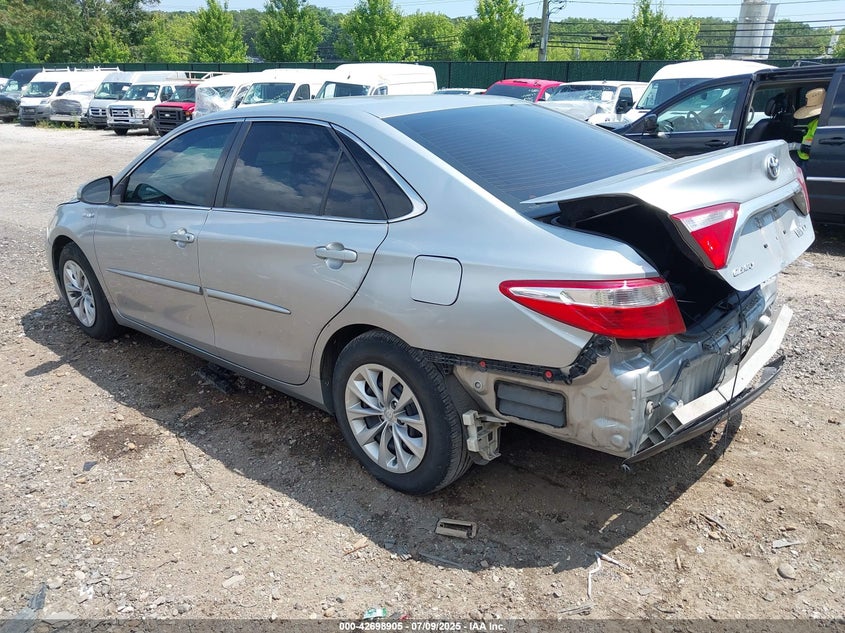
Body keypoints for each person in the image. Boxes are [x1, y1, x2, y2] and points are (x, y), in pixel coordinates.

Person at [794, 87, 825, 166]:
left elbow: (818, 148)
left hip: (810, 161)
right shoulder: (816, 122)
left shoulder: (820, 124)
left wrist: (795, 146)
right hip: (807, 158)